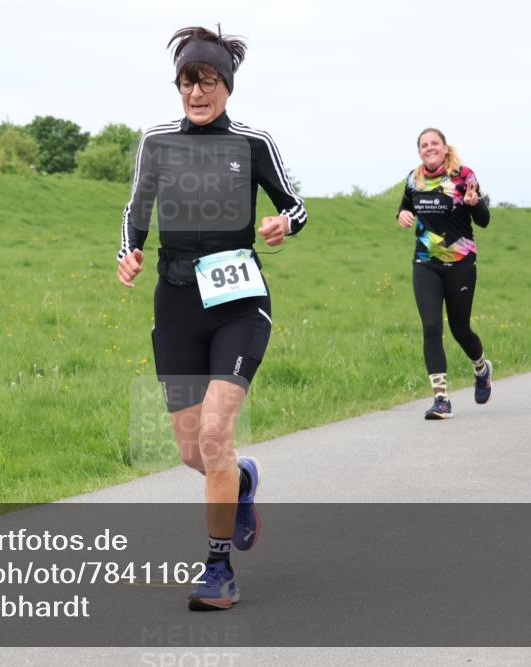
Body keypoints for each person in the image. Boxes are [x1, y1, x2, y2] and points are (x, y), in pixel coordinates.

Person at [116, 26, 307, 611]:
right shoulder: (156, 142)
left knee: (215, 433)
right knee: (190, 452)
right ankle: (243, 481)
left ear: (226, 85)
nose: (195, 93)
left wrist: (283, 224)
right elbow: (136, 208)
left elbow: (293, 204)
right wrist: (129, 251)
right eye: (186, 82)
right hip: (175, 304)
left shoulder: (252, 142)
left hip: (237, 305)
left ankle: (218, 568)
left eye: (206, 81)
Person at [396, 128, 492, 419]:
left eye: (434, 143)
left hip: (460, 262)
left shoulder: (464, 176)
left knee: (460, 329)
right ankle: (441, 398)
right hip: (426, 263)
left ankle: (481, 368)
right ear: (419, 151)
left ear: (445, 147)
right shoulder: (415, 179)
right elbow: (404, 207)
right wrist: (401, 214)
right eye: (424, 145)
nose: (429, 148)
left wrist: (475, 205)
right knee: (431, 326)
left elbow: (484, 221)